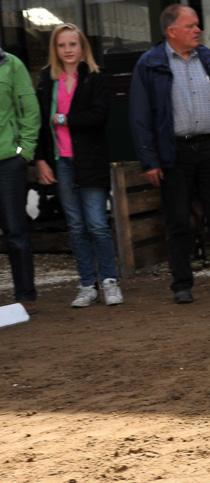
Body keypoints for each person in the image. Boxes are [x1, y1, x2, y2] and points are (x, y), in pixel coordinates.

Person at [129, 4, 210, 304]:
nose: (198, 30)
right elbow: (140, 116)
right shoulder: (150, 63)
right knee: (178, 221)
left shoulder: (207, 58)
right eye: (191, 25)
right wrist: (150, 160)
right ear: (172, 31)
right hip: (174, 152)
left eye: (197, 25)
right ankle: (182, 284)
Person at [34, 23, 123, 308]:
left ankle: (109, 281)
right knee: (75, 226)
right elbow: (38, 125)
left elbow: (99, 116)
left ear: (82, 46)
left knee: (97, 224)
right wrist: (40, 159)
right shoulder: (47, 80)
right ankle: (87, 284)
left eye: (72, 44)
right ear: (55, 50)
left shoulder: (95, 77)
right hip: (61, 161)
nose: (67, 50)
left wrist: (63, 119)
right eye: (62, 45)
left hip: (90, 159)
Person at [0, 45, 39, 315]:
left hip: (7, 162)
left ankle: (25, 295)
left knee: (15, 230)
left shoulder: (12, 65)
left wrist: (23, 153)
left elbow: (29, 110)